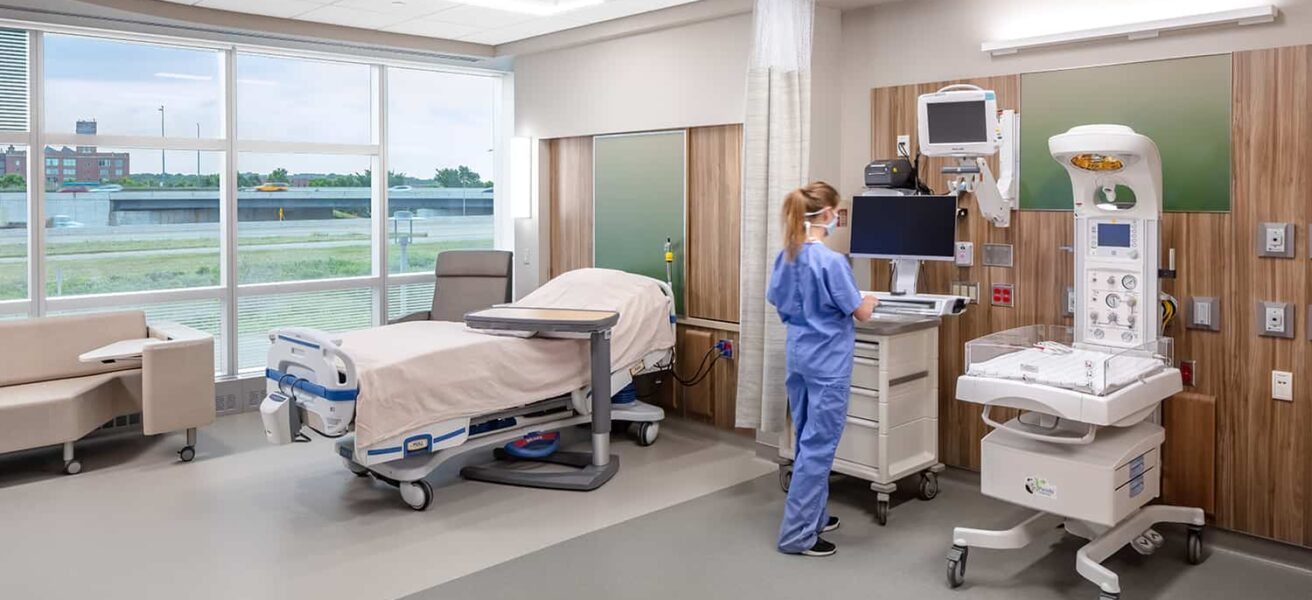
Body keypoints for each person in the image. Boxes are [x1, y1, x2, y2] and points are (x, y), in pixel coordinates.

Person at [768, 181, 877, 557]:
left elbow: (777, 300)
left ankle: (814, 517)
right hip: (828, 364)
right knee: (818, 447)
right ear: (828, 214)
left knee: (806, 440)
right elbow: (860, 312)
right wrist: (871, 299)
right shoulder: (832, 262)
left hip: (799, 357)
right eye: (838, 213)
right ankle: (798, 536)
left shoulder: (787, 256)